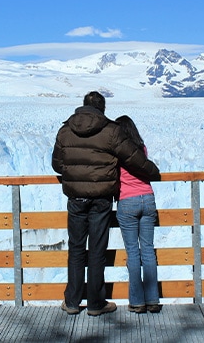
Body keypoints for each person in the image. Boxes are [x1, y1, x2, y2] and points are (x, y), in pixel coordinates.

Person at [51, 91, 160, 316]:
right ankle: (95, 304)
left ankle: (72, 302)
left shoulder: (65, 130)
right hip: (101, 199)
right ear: (103, 109)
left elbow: (56, 164)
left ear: (82, 106)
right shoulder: (111, 131)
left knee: (76, 248)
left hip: (76, 199)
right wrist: (153, 172)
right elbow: (133, 158)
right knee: (98, 250)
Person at [115, 115, 161, 313]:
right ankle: (152, 300)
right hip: (148, 199)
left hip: (128, 201)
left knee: (133, 252)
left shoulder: (117, 152)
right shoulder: (142, 149)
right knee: (148, 251)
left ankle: (137, 301)